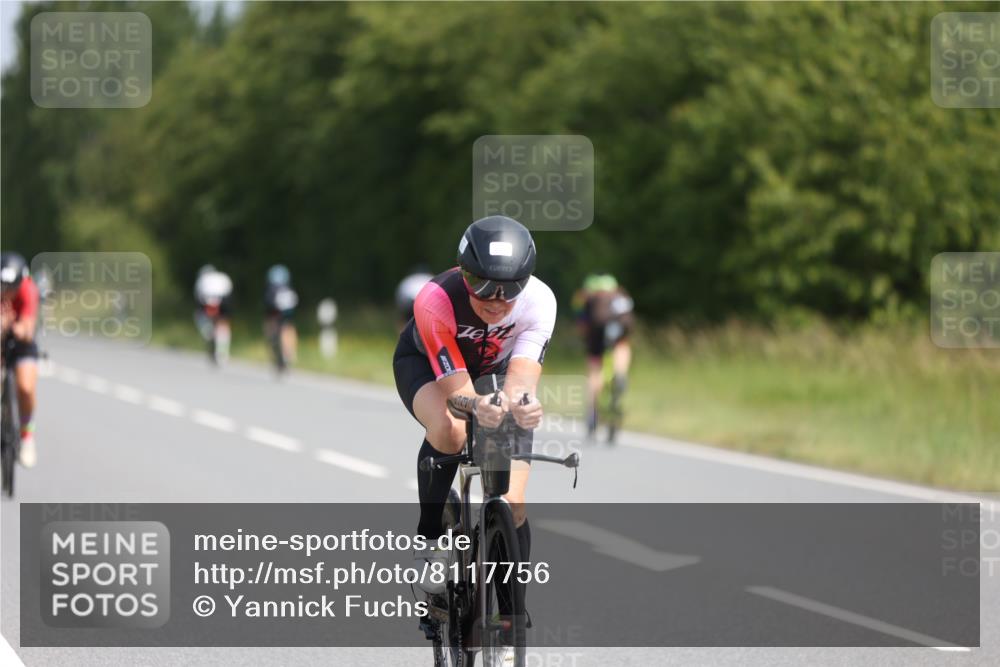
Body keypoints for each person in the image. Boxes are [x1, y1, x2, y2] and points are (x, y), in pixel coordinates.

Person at [392, 216, 556, 595]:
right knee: (451, 428)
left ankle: (511, 619)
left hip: (495, 372)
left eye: (509, 288)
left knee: (512, 501)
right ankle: (430, 539)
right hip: (428, 367)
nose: (495, 301)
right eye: (480, 285)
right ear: (463, 273)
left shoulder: (540, 301)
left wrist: (524, 404)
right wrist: (478, 405)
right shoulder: (435, 299)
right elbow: (456, 392)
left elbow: (521, 381)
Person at [572, 273, 634, 439]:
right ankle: (620, 373)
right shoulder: (620, 295)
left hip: (596, 334)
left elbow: (582, 325)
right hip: (619, 329)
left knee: (594, 369)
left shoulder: (586, 297)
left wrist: (585, 338)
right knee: (622, 345)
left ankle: (592, 411)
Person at [0, 252, 40, 467]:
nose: (6, 293)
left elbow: (27, 330)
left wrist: (11, 326)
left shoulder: (28, 289)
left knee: (25, 387)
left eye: (10, 288)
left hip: (22, 340)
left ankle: (27, 436)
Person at [193, 265, 233, 364]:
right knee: (223, 324)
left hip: (206, 301)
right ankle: (223, 352)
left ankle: (209, 333)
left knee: (199, 316)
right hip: (223, 300)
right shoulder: (223, 276)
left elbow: (197, 296)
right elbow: (230, 291)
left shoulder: (202, 279)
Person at [263, 264, 299, 367]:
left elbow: (267, 304)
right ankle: (290, 353)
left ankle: (274, 347)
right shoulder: (288, 288)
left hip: (274, 310)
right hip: (287, 310)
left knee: (270, 325)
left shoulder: (271, 289)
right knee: (289, 327)